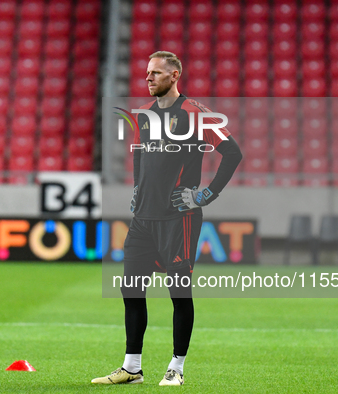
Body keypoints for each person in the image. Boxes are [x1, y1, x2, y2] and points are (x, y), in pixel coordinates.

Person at [92, 51, 242, 386]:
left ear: (175, 76)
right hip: (143, 218)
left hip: (180, 218)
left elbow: (233, 153)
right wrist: (136, 189)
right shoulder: (143, 114)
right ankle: (132, 368)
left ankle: (177, 367)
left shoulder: (196, 113)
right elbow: (139, 155)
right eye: (147, 73)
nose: (148, 78)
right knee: (131, 290)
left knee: (179, 293)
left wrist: (206, 194)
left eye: (156, 73)